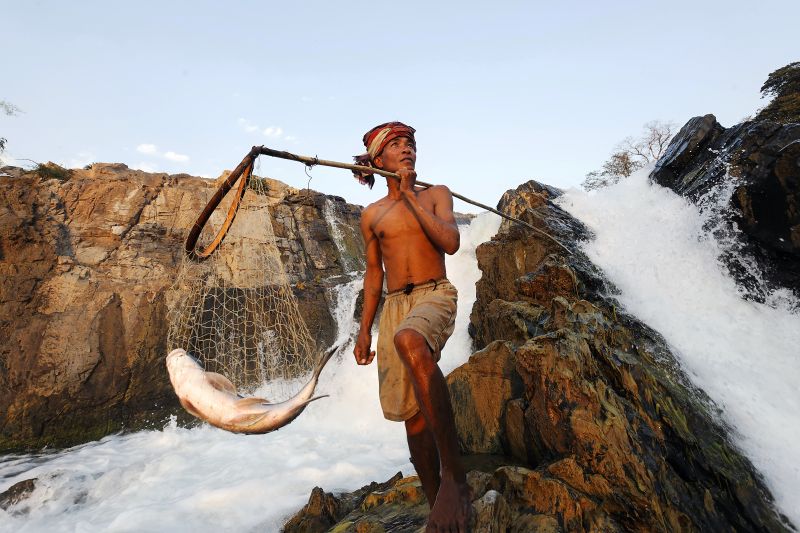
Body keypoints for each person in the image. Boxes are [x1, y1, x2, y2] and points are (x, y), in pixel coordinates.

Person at [352, 122, 471, 532]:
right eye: (397, 145)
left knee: (410, 339)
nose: (407, 150)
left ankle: (456, 480)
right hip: (393, 305)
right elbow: (372, 275)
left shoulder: (436, 194)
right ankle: (437, 502)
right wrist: (364, 330)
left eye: (411, 144)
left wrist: (410, 197)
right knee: (413, 417)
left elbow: (450, 242)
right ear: (378, 158)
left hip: (433, 293)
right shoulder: (372, 214)